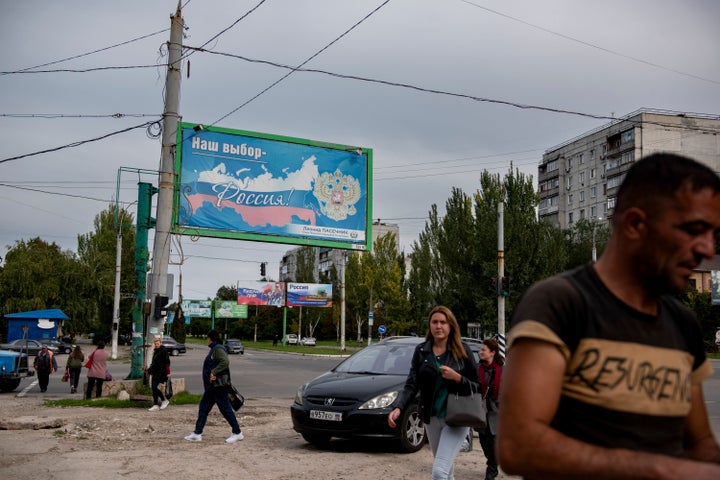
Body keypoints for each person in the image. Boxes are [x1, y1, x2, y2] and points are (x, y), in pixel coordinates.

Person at [497, 152, 720, 478]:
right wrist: (660, 469)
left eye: (713, 234)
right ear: (635, 224)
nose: (708, 249)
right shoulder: (560, 303)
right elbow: (518, 447)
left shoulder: (683, 322)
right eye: (694, 229)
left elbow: (700, 445)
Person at [388, 305, 480, 479]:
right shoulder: (422, 351)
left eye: (443, 322)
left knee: (439, 472)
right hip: (432, 418)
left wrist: (457, 378)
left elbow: (479, 385)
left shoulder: (462, 350)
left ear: (451, 325)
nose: (439, 326)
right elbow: (411, 384)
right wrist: (398, 407)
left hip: (457, 417)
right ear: (429, 325)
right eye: (435, 322)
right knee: (446, 470)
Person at [185, 329, 243, 444]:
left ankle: (237, 433)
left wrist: (214, 372)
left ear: (211, 338)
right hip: (212, 388)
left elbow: (225, 362)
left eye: (207, 338)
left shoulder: (218, 349)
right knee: (203, 408)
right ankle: (197, 433)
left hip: (218, 387)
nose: (207, 340)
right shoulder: (214, 349)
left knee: (225, 409)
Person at [476, 339, 504, 480]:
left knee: (493, 441)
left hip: (496, 412)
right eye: (481, 350)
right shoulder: (477, 369)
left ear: (492, 352)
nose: (481, 352)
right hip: (481, 411)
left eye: (483, 350)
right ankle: (493, 462)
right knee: (482, 441)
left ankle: (492, 468)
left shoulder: (502, 370)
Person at [148, 336, 171, 411]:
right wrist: (149, 370)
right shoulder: (155, 351)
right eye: (155, 343)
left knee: (154, 387)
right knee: (153, 389)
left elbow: (167, 362)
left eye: (157, 343)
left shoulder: (164, 350)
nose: (156, 344)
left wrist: (168, 372)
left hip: (161, 372)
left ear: (160, 343)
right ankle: (155, 405)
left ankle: (164, 400)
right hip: (155, 372)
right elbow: (154, 363)